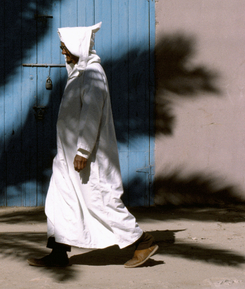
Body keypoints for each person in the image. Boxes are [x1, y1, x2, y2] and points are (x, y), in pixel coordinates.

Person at [28, 23, 158, 268]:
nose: (63, 53)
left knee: (101, 200)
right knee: (60, 200)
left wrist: (83, 150)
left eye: (65, 48)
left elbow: (91, 113)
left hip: (87, 156)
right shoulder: (79, 72)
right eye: (62, 48)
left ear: (78, 46)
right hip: (66, 156)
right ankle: (58, 252)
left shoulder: (93, 72)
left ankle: (143, 242)